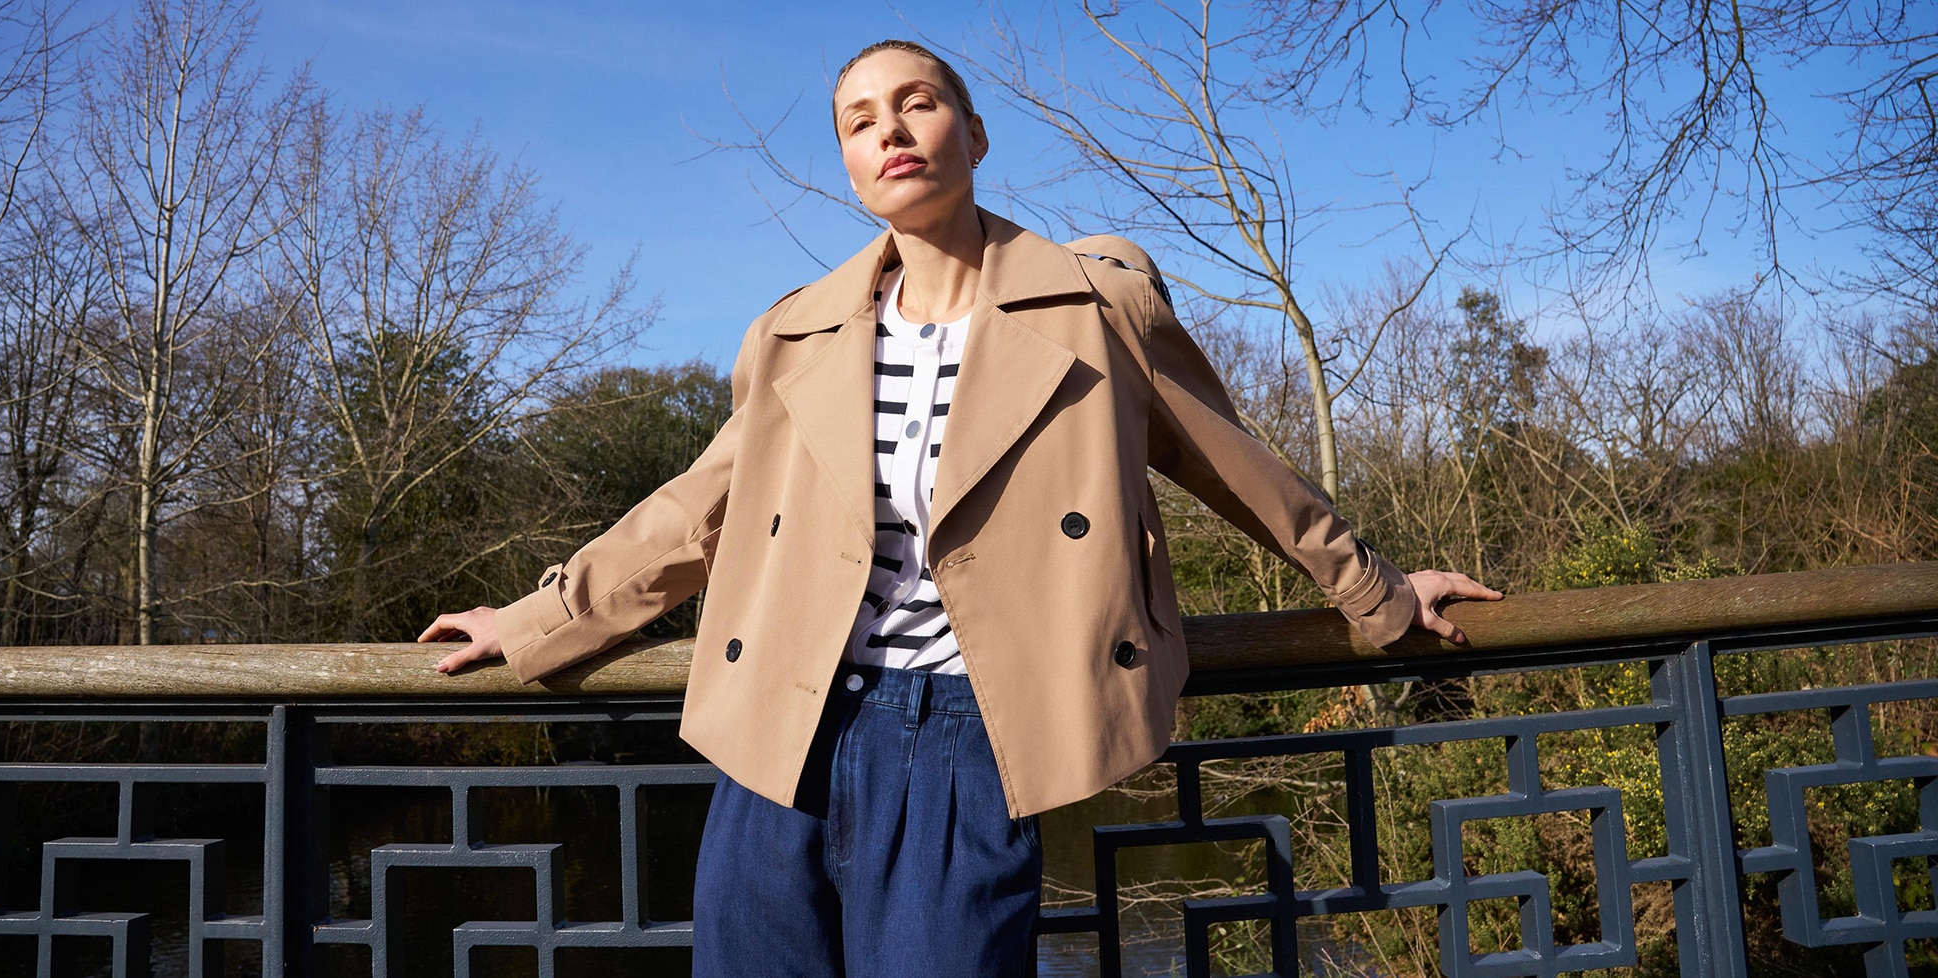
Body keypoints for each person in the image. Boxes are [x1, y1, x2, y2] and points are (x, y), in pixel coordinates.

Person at [418, 38, 1500, 978]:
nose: (889, 130)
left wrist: (1376, 593)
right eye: (858, 120)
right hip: (781, 728)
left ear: (974, 136)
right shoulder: (795, 331)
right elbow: (697, 511)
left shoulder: (1094, 305)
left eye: (917, 104)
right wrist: (533, 621)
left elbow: (1239, 468)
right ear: (846, 166)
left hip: (963, 733)